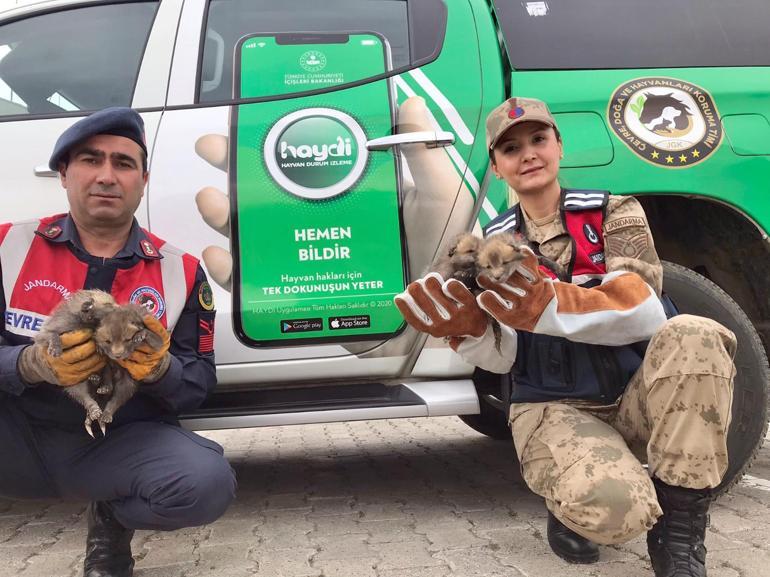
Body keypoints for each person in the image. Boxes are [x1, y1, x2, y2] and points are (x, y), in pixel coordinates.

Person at [395, 97, 736, 577]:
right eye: (510, 148)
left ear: (559, 146)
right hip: (552, 405)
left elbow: (644, 311)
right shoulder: (484, 247)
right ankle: (570, 494)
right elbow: (503, 359)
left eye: (538, 139)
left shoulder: (614, 213)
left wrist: (552, 304)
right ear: (496, 167)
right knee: (614, 511)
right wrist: (470, 333)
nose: (528, 154)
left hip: (633, 393)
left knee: (695, 332)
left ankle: (679, 533)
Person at [0, 108, 236, 577]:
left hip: (118, 440)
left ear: (143, 179)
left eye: (124, 164)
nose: (107, 176)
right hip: (16, 435)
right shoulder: (8, 246)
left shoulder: (181, 271)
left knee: (204, 484)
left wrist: (159, 370)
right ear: (64, 174)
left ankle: (111, 517)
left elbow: (198, 382)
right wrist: (27, 365)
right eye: (91, 160)